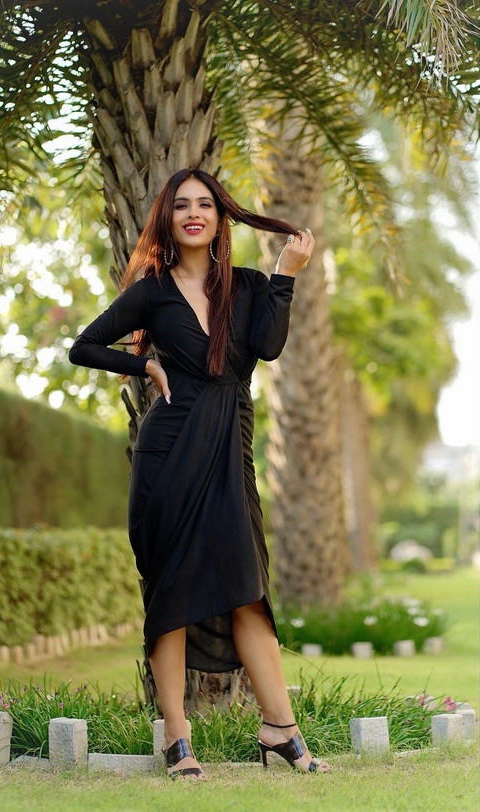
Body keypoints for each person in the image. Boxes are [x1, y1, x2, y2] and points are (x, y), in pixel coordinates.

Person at [69, 168, 331, 780]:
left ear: (220, 217)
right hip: (168, 454)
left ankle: (280, 727)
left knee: (248, 589)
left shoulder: (249, 285)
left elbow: (267, 347)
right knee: (171, 595)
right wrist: (144, 367)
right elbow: (83, 346)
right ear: (168, 217)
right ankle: (177, 739)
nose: (193, 213)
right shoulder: (152, 291)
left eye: (205, 205)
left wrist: (286, 275)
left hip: (229, 447)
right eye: (182, 205)